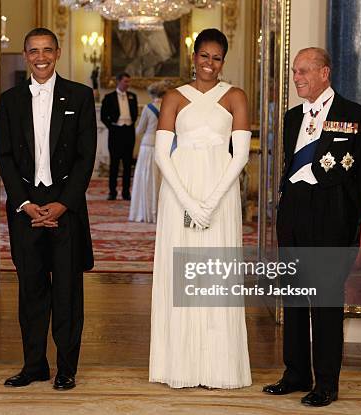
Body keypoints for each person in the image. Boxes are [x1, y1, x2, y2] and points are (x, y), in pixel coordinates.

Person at [262, 47, 361, 407]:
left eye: (303, 71)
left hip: (331, 216)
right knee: (294, 297)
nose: (296, 77)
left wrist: (347, 215)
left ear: (324, 72)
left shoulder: (357, 117)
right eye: (295, 72)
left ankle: (326, 383)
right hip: (295, 213)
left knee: (326, 301)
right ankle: (296, 373)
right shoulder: (293, 117)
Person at [149, 29, 252, 388]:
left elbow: (239, 156)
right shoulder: (174, 97)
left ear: (224, 60)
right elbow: (162, 154)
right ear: (193, 57)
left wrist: (210, 203)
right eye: (204, 56)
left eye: (217, 57)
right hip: (180, 193)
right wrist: (190, 202)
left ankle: (218, 367)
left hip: (220, 193)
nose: (210, 64)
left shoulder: (236, 96)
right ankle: (179, 365)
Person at [0, 28, 96, 391]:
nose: (41, 57)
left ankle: (66, 368)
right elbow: (4, 156)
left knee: (68, 292)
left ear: (58, 52)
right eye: (34, 51)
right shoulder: (9, 100)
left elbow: (86, 158)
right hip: (25, 208)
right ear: (25, 55)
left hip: (66, 208)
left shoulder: (81, 96)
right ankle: (34, 365)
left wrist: (62, 204)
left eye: (47, 50)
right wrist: (25, 204)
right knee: (31, 291)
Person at [128, 81, 167, 223]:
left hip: (148, 145)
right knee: (161, 179)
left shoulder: (148, 108)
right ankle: (161, 212)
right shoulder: (168, 106)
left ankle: (145, 211)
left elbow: (139, 130)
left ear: (152, 94)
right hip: (163, 145)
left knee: (146, 178)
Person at [101, 72, 138, 200]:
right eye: (125, 81)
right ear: (118, 81)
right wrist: (113, 126)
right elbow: (103, 116)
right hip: (115, 133)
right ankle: (112, 192)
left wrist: (129, 124)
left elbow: (135, 114)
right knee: (114, 164)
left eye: (129, 82)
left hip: (128, 132)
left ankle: (126, 192)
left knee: (128, 165)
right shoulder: (109, 97)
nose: (128, 84)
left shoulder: (133, 96)